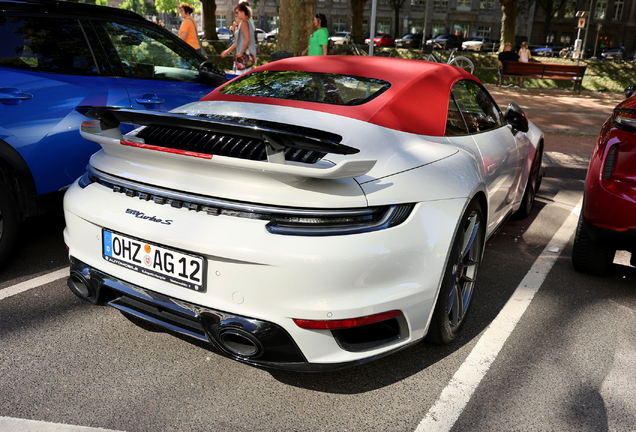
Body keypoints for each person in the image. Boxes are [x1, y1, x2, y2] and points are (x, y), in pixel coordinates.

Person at [221, 2, 257, 74]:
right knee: (243, 76)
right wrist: (228, 51)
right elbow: (240, 40)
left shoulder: (244, 22)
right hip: (247, 55)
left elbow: (246, 39)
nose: (236, 15)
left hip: (244, 55)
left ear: (242, 12)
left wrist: (241, 52)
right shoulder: (248, 22)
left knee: (240, 78)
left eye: (237, 13)